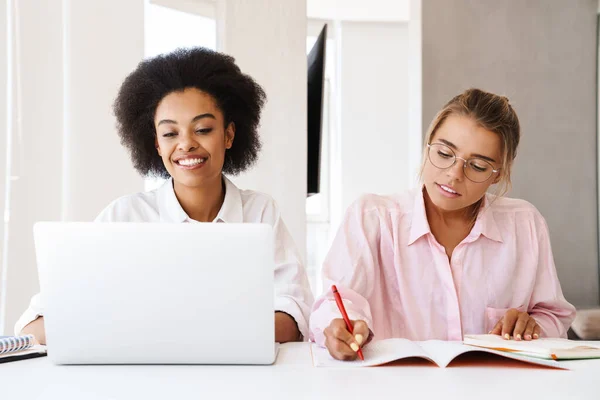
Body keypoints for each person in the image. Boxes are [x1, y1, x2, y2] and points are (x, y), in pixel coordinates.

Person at [16, 47, 313, 344]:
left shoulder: (260, 213)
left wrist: (191, 334)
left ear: (229, 135)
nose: (186, 144)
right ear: (156, 145)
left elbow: (293, 315)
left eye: (203, 129)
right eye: (170, 134)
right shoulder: (125, 217)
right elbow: (35, 327)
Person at [309, 88, 576, 361]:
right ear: (428, 144)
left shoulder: (525, 224)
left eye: (478, 166)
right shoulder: (372, 217)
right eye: (445, 153)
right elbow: (334, 303)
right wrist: (339, 325)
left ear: (498, 175)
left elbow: (553, 317)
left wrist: (533, 326)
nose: (453, 174)